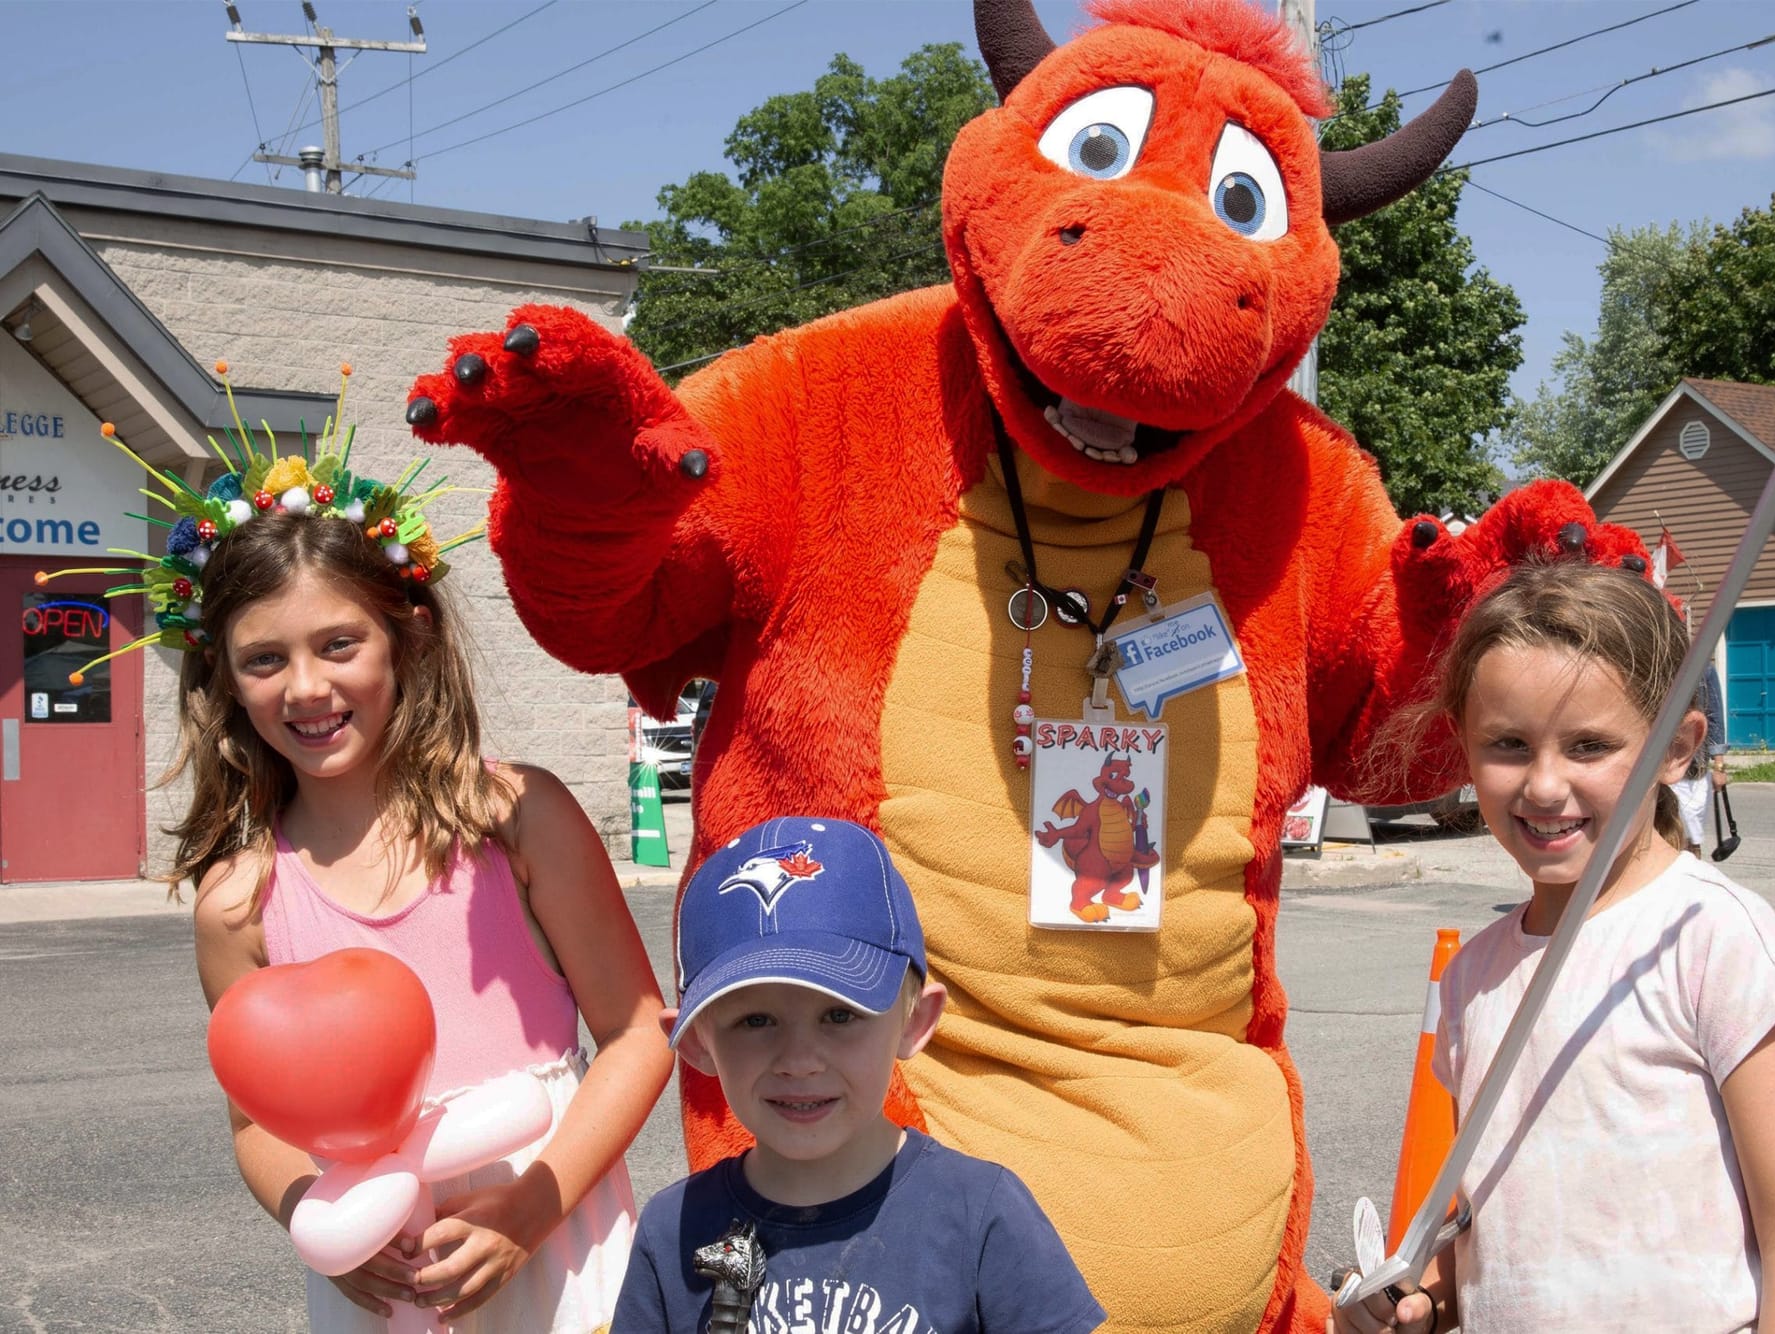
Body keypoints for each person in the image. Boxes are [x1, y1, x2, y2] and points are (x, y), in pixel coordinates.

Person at [177, 503, 675, 1331]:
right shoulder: (239, 902)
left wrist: (527, 1214)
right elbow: (257, 1126)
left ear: (407, 637)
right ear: (225, 678)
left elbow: (639, 1032)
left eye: (339, 644)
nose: (306, 687)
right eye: (265, 659)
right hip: (383, 1283)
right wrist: (321, 1220)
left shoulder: (516, 818)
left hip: (553, 1235)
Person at [1337, 560, 1775, 1334]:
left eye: (1589, 746)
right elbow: (1501, 1234)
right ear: (1464, 747)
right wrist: (1422, 1299)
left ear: (1678, 748)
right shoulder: (1470, 977)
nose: (1545, 787)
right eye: (1509, 744)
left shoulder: (1719, 944)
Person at [614, 816, 1104, 1333]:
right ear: (695, 1042)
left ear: (914, 1022)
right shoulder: (673, 1231)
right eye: (755, 1021)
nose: (799, 1060)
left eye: (840, 1015)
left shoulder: (982, 1217)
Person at [1670, 661, 1729, 856]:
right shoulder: (1653, 662)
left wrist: (1719, 767)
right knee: (1669, 828)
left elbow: (1714, 719)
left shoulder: (1704, 670)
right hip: (1660, 765)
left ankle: (1690, 864)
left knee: (1693, 832)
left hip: (1695, 766)